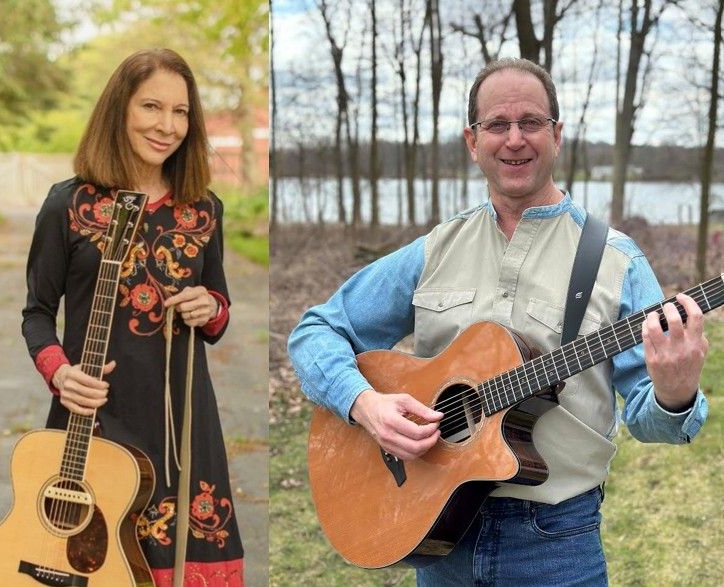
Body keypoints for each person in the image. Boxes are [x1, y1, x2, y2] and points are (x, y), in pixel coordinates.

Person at [288, 57, 709, 585]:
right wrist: (363, 403)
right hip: (437, 528)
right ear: (473, 141)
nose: (515, 139)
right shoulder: (434, 250)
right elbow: (315, 330)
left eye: (531, 123)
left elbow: (651, 419)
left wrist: (676, 394)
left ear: (556, 135)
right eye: (497, 125)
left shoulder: (617, 261)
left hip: (556, 544)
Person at [22, 48, 243, 587]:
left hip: (182, 423)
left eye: (181, 112)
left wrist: (208, 306)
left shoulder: (203, 209)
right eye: (151, 107)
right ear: (120, 109)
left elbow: (219, 311)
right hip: (92, 420)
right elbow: (36, 314)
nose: (167, 126)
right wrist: (59, 372)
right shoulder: (67, 205)